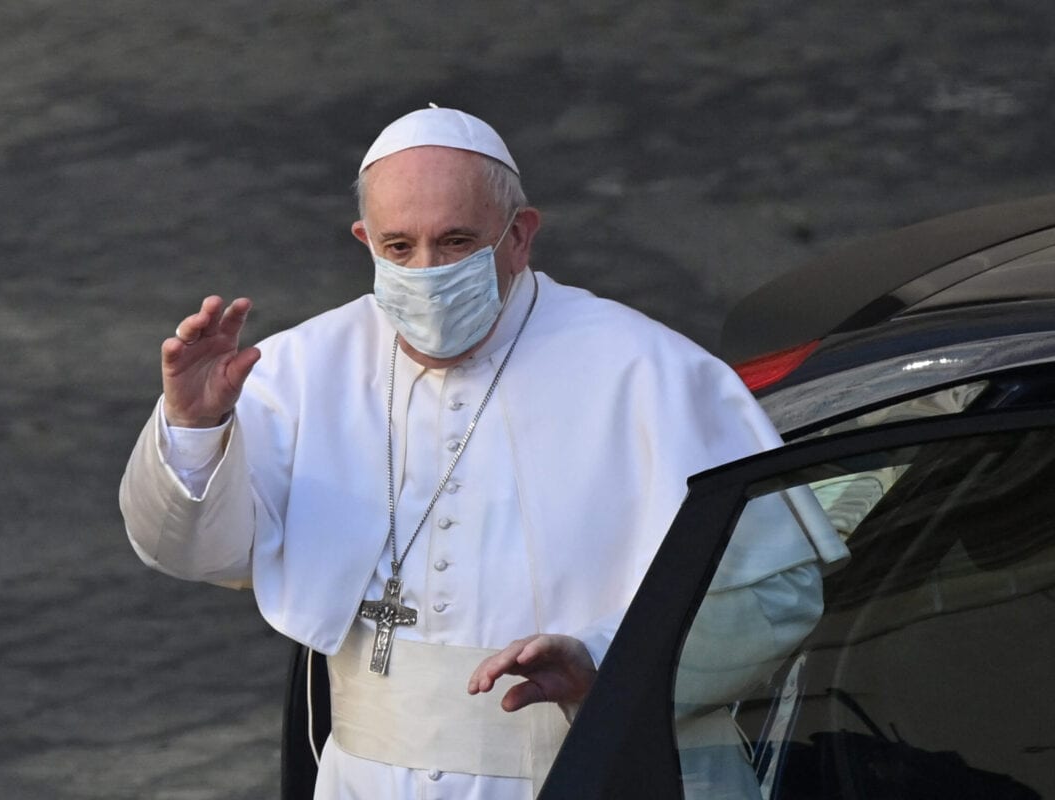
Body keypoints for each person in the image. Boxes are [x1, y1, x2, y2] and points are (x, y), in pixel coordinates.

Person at [120, 106, 844, 800]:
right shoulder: (299, 368)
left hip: (579, 777)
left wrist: (600, 657)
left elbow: (776, 596)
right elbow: (191, 552)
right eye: (400, 246)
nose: (427, 270)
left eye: (458, 241)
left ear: (521, 236)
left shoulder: (647, 371)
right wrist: (195, 424)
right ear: (366, 242)